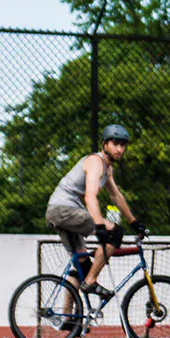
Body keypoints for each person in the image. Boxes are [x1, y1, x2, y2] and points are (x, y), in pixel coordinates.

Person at [45, 124, 146, 305]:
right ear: (104, 144)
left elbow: (116, 195)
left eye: (123, 145)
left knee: (82, 265)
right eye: (115, 144)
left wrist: (134, 222)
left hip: (60, 212)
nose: (120, 149)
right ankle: (91, 282)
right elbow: (90, 195)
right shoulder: (95, 162)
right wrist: (99, 225)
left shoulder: (107, 169)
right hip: (64, 210)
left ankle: (66, 319)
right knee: (116, 232)